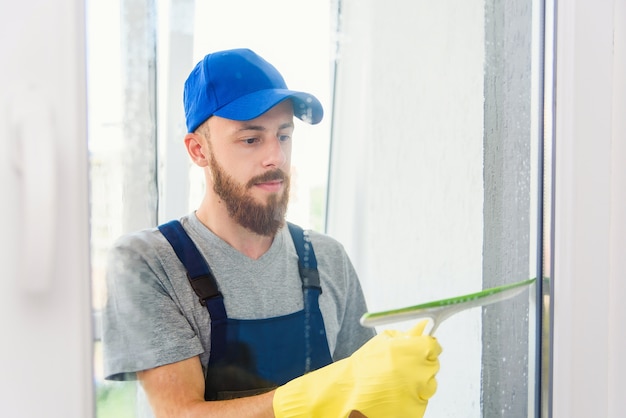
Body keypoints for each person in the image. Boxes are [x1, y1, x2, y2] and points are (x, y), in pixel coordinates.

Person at [102, 48, 442, 418]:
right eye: (251, 139)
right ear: (198, 150)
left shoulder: (327, 259)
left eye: (283, 136)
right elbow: (179, 413)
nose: (275, 158)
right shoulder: (148, 262)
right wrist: (303, 399)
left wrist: (392, 394)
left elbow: (356, 404)